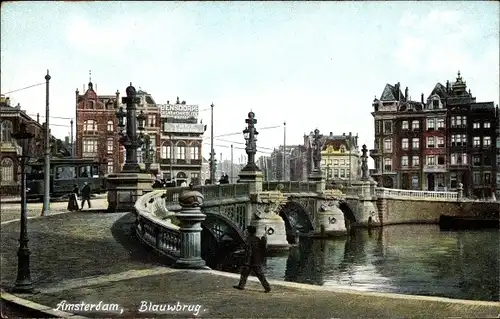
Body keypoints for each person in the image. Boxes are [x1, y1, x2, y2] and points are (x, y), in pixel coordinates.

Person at [233, 225, 271, 293]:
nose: (245, 232)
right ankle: (267, 287)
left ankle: (241, 286)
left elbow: (248, 251)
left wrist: (246, 260)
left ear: (248, 232)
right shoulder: (257, 239)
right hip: (256, 259)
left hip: (250, 260)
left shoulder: (248, 240)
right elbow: (262, 248)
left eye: (246, 231)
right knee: (259, 274)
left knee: (245, 273)